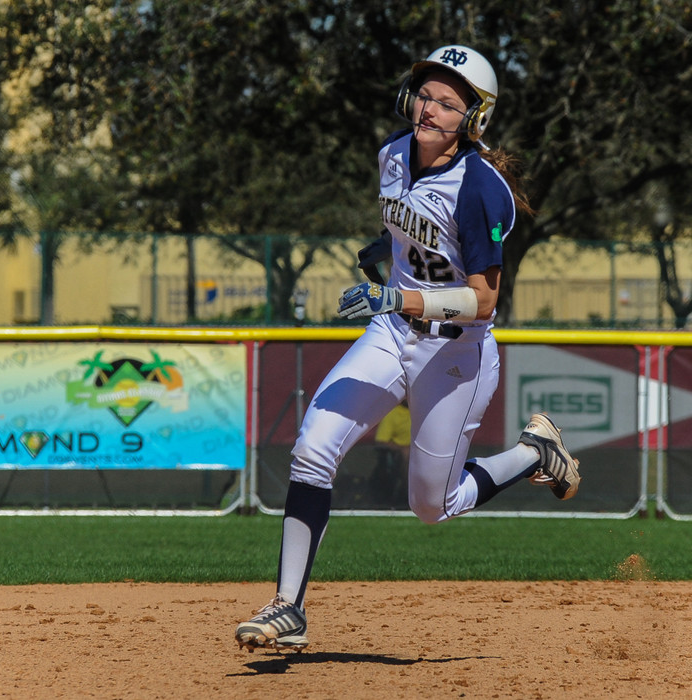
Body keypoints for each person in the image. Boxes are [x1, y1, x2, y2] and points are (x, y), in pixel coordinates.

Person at [235, 44, 580, 653]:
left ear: (474, 119)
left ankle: (533, 454)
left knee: (432, 506)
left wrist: (402, 299)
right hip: (391, 336)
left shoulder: (479, 188)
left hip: (455, 354)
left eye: (449, 103)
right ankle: (289, 606)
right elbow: (415, 229)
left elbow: (483, 300)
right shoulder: (392, 154)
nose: (430, 108)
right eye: (426, 93)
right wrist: (385, 252)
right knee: (313, 446)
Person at [370, 400, 411, 506]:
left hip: (424, 454)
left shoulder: (422, 413)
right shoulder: (392, 413)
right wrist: (402, 448)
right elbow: (381, 441)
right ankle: (408, 493)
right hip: (399, 457)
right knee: (407, 453)